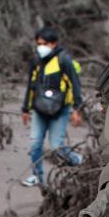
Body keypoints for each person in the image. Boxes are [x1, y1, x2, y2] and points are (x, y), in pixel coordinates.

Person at [20, 26, 84, 188]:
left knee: (57, 147)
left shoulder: (64, 61)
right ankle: (37, 176)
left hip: (60, 110)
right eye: (38, 43)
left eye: (44, 43)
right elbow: (31, 85)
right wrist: (25, 109)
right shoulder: (36, 61)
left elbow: (75, 85)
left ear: (54, 43)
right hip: (39, 109)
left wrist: (77, 109)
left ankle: (79, 161)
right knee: (35, 144)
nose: (40, 47)